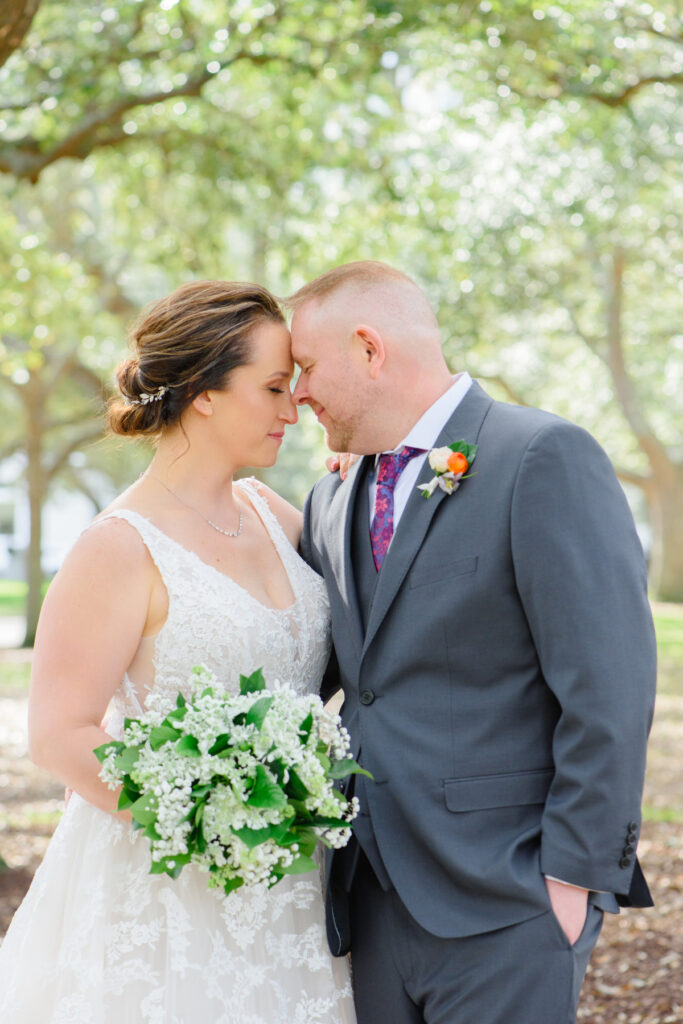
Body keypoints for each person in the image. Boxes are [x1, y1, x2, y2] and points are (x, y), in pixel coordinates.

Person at [289, 260, 657, 1024]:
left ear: (369, 348)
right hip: (371, 905)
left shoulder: (540, 456)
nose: (296, 394)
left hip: (511, 901)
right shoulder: (327, 498)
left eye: (305, 367)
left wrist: (573, 883)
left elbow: (609, 689)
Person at [0, 281, 355, 1024]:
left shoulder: (271, 512)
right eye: (273, 387)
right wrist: (209, 822)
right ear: (203, 393)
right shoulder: (116, 548)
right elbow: (60, 734)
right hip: (167, 887)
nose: (294, 411)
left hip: (290, 875)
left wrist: (358, 492)